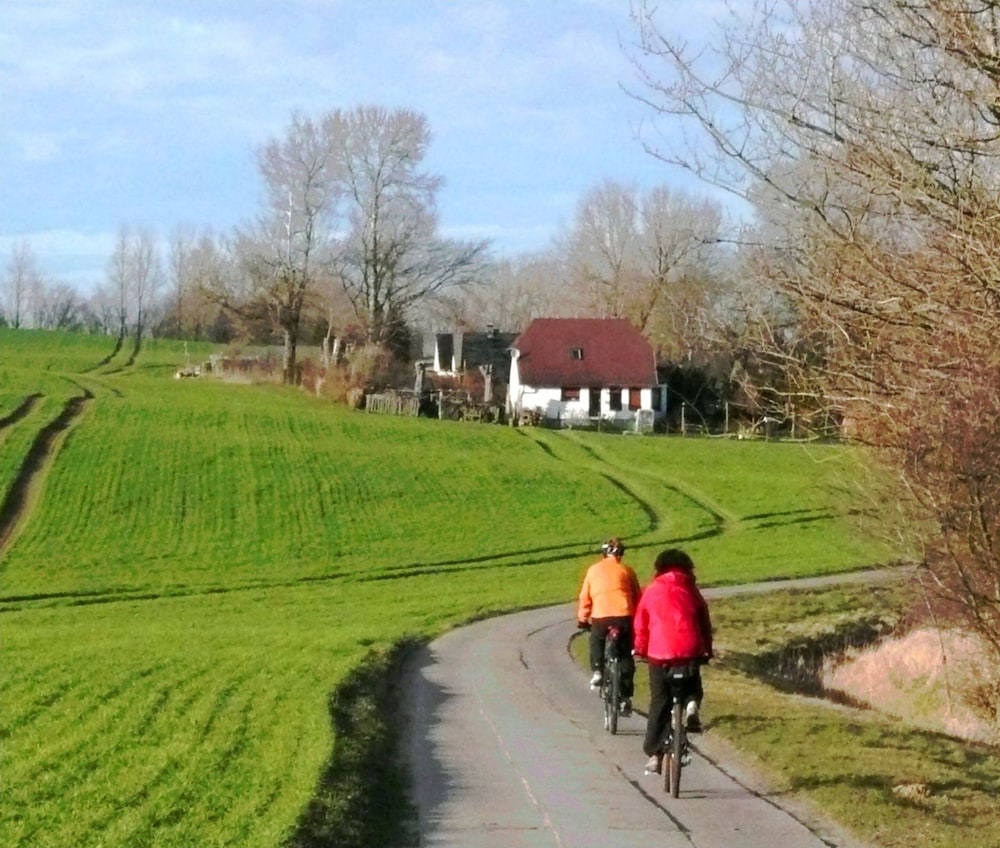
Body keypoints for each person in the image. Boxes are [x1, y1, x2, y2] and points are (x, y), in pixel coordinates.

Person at [632, 548, 713, 775]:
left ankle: (655, 753)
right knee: (692, 685)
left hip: (659, 652)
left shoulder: (651, 590)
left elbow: (640, 623)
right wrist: (706, 649)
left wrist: (639, 648)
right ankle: (691, 704)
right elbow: (703, 621)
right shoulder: (690, 589)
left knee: (660, 700)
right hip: (689, 649)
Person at [577, 537, 642, 713]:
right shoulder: (627, 570)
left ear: (603, 554)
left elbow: (585, 597)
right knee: (626, 655)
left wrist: (583, 619)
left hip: (601, 616)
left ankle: (598, 671)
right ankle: (626, 696)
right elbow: (638, 596)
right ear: (620, 555)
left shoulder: (593, 570)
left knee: (597, 639)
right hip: (624, 615)